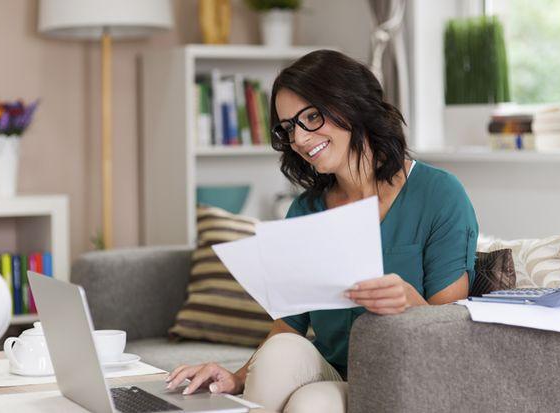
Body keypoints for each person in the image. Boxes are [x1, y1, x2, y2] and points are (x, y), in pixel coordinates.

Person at [165, 50, 478, 413]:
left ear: (352, 104)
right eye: (288, 127)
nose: (297, 138)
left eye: (311, 116)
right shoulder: (306, 210)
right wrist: (236, 378)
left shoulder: (439, 194)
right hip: (336, 375)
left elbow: (452, 336)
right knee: (284, 353)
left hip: (406, 380)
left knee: (311, 404)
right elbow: (289, 326)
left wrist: (408, 301)